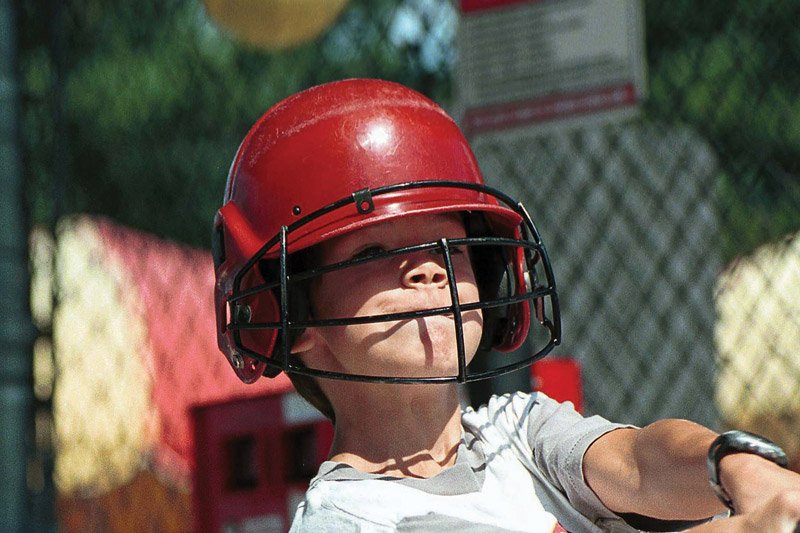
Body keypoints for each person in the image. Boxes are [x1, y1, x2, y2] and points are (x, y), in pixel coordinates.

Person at [212, 78, 800, 532]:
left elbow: (641, 461)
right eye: (373, 250)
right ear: (287, 315)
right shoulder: (343, 519)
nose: (429, 268)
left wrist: (735, 468)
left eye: (451, 247)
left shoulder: (513, 432)